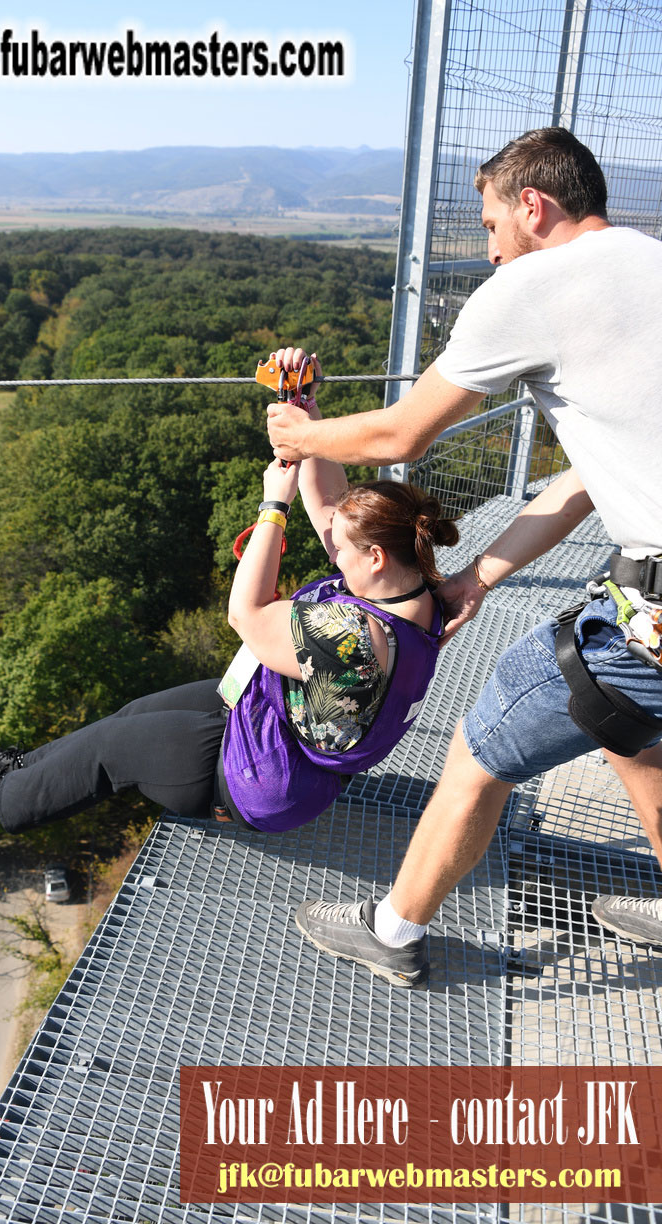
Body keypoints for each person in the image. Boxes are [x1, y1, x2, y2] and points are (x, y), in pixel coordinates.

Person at [266, 127, 662, 985]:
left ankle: (393, 930)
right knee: (629, 728)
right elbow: (588, 482)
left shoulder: (534, 286)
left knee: (485, 741)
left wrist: (300, 435)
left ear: (534, 206)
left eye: (491, 225)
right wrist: (478, 578)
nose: (490, 251)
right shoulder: (651, 265)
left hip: (657, 611)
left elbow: (400, 434)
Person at [0, 407, 458, 868]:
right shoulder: (417, 597)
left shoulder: (356, 641)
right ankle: (28, 766)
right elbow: (329, 508)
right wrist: (306, 419)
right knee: (133, 713)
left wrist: (272, 507)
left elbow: (245, 613)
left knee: (111, 747)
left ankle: (8, 796)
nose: (332, 550)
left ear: (376, 556)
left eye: (341, 549)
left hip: (264, 778)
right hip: (275, 714)